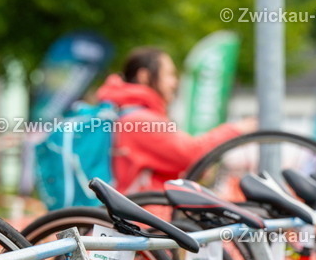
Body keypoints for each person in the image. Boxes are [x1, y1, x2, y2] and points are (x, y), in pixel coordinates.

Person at [96, 47, 250, 193]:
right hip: (145, 215)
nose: (174, 82)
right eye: (169, 74)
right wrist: (236, 129)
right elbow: (190, 154)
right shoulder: (141, 120)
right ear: (144, 76)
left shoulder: (127, 113)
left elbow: (171, 163)